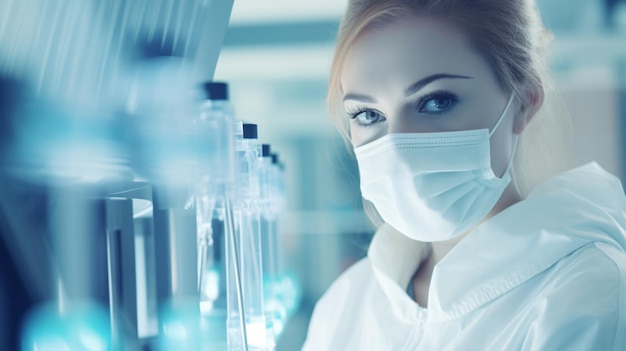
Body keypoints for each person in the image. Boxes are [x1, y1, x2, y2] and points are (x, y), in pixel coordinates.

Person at [302, 0, 626, 350]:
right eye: (367, 114)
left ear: (524, 102)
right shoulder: (345, 304)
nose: (397, 148)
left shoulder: (588, 297)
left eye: (436, 101)